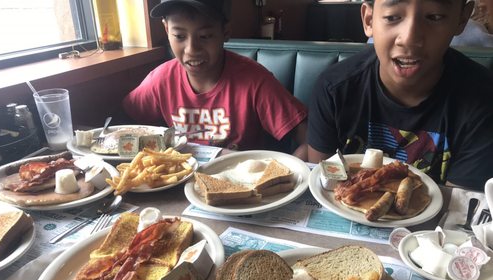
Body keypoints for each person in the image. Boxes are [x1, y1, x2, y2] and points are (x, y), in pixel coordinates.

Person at [307, 0, 493, 191]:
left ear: (461, 19)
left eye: (434, 17)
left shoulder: (484, 101)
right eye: (392, 17)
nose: (409, 38)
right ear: (369, 20)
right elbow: (324, 186)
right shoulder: (335, 89)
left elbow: (458, 209)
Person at [122, 0, 308, 158]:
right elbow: (123, 124)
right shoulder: (161, 80)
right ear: (166, 29)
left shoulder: (255, 81)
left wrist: (284, 179)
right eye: (179, 36)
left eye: (205, 36)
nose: (191, 49)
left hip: (241, 190)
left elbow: (310, 140)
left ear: (225, 32)